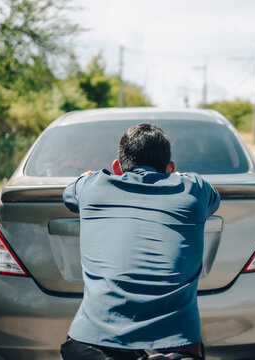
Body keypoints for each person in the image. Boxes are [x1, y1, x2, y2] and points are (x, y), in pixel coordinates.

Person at [61, 123, 220, 360]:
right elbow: (213, 201)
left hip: (91, 344)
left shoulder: (91, 186)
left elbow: (69, 195)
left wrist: (89, 178)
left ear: (117, 167)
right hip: (174, 345)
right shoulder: (194, 189)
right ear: (171, 168)